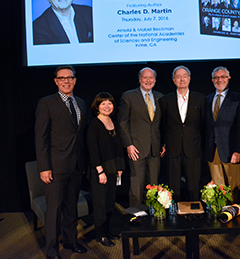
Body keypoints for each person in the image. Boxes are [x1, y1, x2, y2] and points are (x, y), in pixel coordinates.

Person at [35, 65, 87, 258]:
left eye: (70, 77)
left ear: (74, 80)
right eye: (62, 78)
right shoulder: (46, 103)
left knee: (71, 208)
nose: (66, 81)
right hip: (55, 167)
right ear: (56, 81)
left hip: (75, 166)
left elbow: (79, 136)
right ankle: (51, 250)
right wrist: (44, 167)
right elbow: (41, 138)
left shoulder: (80, 102)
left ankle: (71, 241)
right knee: (54, 211)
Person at [117, 67, 163, 207]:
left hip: (155, 149)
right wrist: (129, 145)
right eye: (145, 77)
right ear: (139, 79)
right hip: (136, 148)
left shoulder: (160, 97)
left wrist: (164, 144)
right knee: (136, 185)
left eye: (151, 78)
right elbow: (122, 122)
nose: (148, 80)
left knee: (154, 186)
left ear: (155, 80)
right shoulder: (129, 96)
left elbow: (163, 124)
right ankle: (136, 216)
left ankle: (153, 214)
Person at [159, 66, 205, 201]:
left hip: (193, 148)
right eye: (178, 77)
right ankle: (175, 214)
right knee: (173, 187)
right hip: (173, 149)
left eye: (184, 76)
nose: (182, 79)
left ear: (189, 79)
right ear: (174, 80)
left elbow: (204, 124)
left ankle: (195, 213)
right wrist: (164, 144)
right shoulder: (165, 100)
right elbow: (162, 125)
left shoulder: (200, 99)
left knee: (193, 186)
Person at [87, 92, 124, 247]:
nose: (107, 106)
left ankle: (107, 231)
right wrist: (100, 171)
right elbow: (93, 150)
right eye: (103, 103)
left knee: (110, 202)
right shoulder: (94, 124)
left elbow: (119, 147)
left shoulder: (113, 122)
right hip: (100, 171)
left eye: (110, 103)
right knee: (100, 205)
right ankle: (100, 235)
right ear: (97, 106)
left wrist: (120, 168)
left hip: (113, 170)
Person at [205, 67, 240, 203]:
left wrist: (238, 150)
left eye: (223, 76)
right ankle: (221, 217)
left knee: (235, 190)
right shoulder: (208, 99)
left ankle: (235, 218)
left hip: (231, 151)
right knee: (218, 190)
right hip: (212, 151)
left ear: (229, 78)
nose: (219, 80)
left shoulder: (238, 99)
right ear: (212, 80)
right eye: (216, 77)